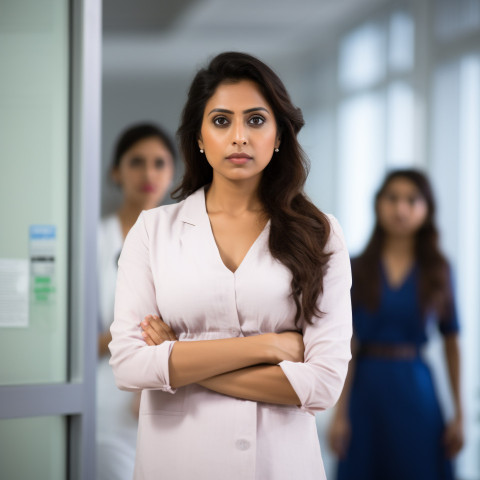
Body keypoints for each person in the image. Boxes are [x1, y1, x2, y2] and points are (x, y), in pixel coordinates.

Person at [109, 51, 352, 480]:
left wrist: (177, 360)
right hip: (177, 462)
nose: (239, 136)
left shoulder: (320, 234)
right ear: (200, 137)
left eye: (256, 120)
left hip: (280, 464)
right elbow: (129, 366)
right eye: (222, 121)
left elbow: (324, 385)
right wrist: (269, 347)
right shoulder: (153, 231)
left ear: (278, 135)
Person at [328, 169, 464, 480]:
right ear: (378, 204)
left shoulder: (438, 270)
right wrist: (340, 414)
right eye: (392, 198)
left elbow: (452, 341)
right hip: (366, 389)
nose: (401, 208)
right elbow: (347, 344)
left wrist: (459, 414)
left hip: (416, 389)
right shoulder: (356, 268)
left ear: (427, 209)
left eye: (411, 200)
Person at [96, 123, 176, 480]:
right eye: (137, 162)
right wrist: (132, 334)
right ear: (116, 172)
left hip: (170, 395)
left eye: (159, 163)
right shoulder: (92, 241)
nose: (148, 173)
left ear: (172, 172)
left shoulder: (184, 240)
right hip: (106, 399)